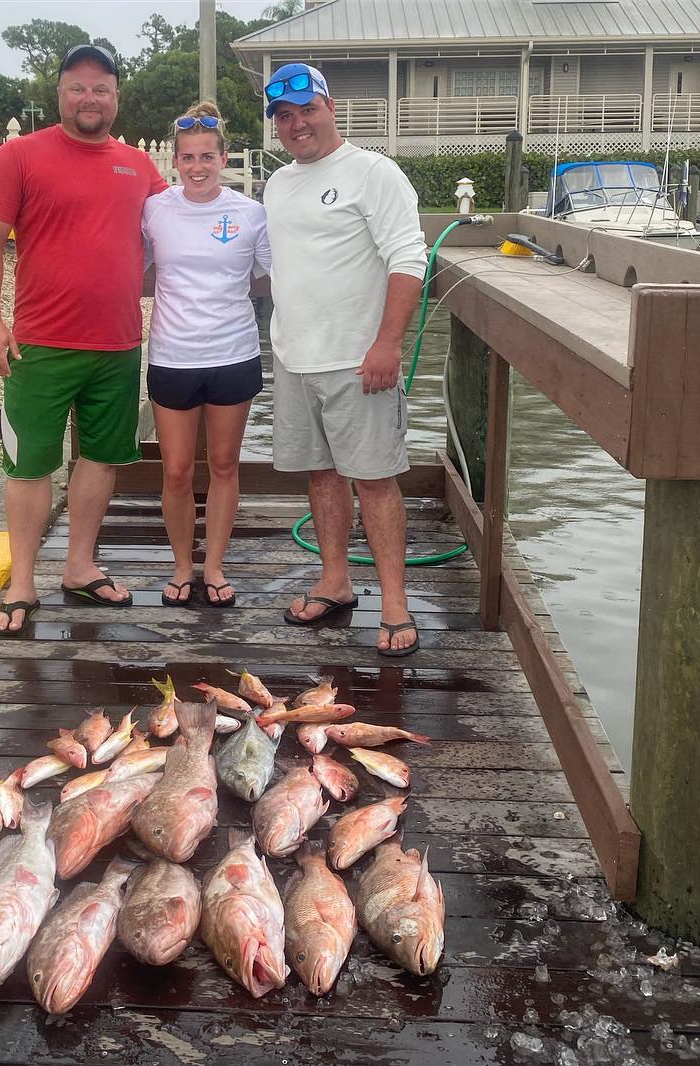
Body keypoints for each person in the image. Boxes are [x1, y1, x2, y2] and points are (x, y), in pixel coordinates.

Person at [0, 44, 166, 636]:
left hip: (118, 344)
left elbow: (177, 235)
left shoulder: (138, 165)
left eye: (101, 88)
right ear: (59, 94)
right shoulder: (20, 155)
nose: (89, 99)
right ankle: (22, 580)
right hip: (39, 344)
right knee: (29, 465)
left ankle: (80, 565)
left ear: (116, 97)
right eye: (77, 88)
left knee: (102, 459)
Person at [262, 63, 428, 656]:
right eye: (284, 116)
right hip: (293, 357)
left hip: (359, 361)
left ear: (330, 107)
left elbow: (410, 258)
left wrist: (387, 342)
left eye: (306, 109)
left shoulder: (373, 172)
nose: (297, 123)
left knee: (377, 480)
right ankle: (335, 581)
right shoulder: (277, 184)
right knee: (321, 475)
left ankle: (395, 603)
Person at [142, 101, 270, 608]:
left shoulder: (251, 214)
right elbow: (129, 264)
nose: (197, 167)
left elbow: (279, 274)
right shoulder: (155, 208)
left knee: (223, 464)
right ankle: (181, 565)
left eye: (207, 157)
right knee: (175, 470)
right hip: (172, 355)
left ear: (224, 158)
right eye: (188, 157)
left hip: (233, 353)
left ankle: (213, 565)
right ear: (175, 161)